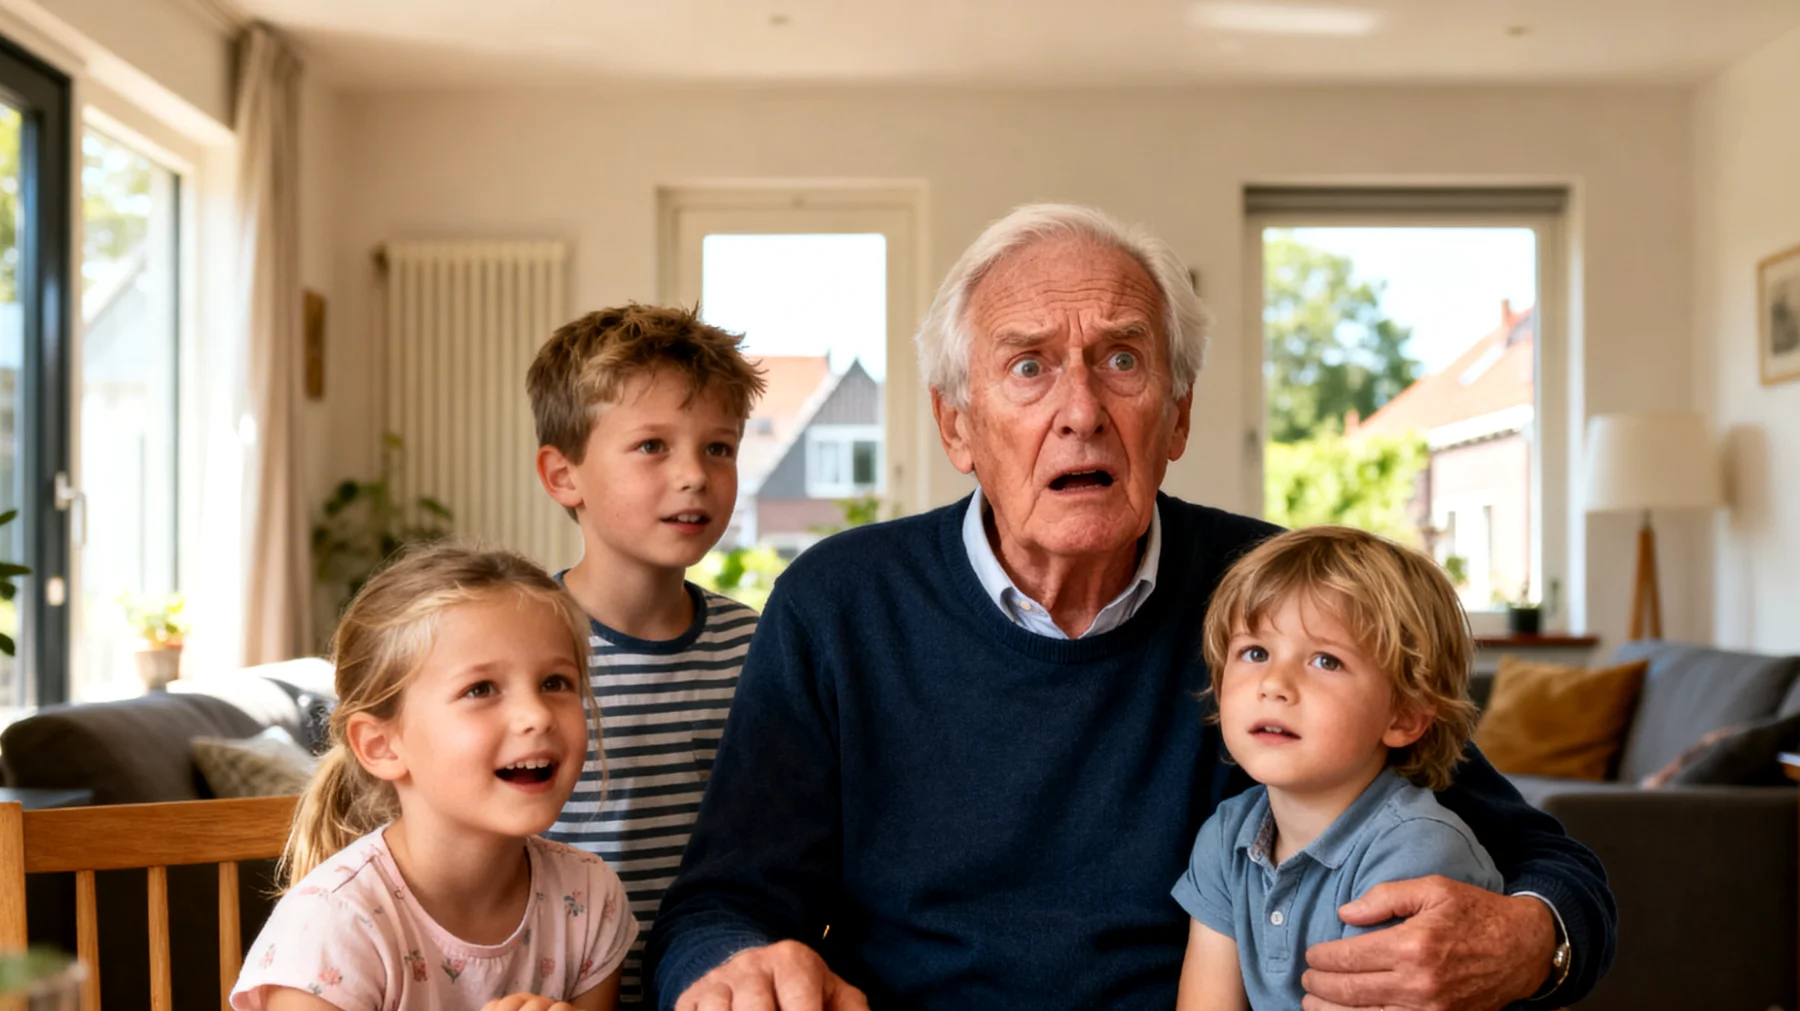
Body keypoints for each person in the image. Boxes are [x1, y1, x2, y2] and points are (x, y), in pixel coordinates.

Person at [647, 204, 1615, 1011]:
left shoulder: (1279, 603)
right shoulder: (838, 603)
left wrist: (1530, 941)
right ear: (957, 425)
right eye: (1029, 367)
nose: (1082, 411)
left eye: (1121, 361)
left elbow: (1551, 867)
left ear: (1178, 415)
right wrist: (735, 970)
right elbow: (717, 909)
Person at [231, 544, 637, 1011]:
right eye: (480, 689)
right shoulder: (331, 926)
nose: (537, 715)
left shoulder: (588, 898)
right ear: (381, 746)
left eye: (555, 682)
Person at [527, 305, 767, 1004]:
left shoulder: (757, 649)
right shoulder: (517, 652)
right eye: (652, 445)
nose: (695, 475)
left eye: (718, 448)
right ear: (563, 475)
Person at [1173, 526, 1504, 1011]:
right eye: (1256, 653)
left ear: (1404, 717)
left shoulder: (1415, 850)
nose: (1274, 684)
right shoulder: (1227, 837)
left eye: (1325, 661)